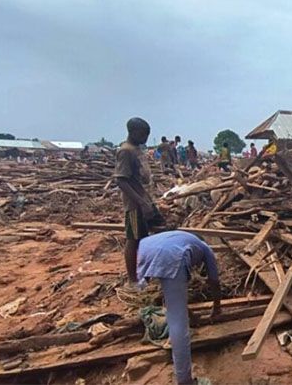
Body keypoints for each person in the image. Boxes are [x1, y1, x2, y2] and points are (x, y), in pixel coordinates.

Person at [137, 230, 221, 385]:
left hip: (145, 248)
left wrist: (189, 312)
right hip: (170, 256)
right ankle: (185, 380)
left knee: (173, 300)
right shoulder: (204, 247)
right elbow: (214, 281)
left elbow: (171, 286)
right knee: (178, 322)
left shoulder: (181, 238)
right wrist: (217, 308)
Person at [115, 118, 165, 282]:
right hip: (135, 205)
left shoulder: (136, 149)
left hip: (145, 200)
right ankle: (132, 279)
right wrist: (140, 202)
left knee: (147, 236)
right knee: (133, 239)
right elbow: (121, 180)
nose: (145, 138)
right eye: (144, 134)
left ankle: (147, 272)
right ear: (133, 132)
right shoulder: (126, 151)